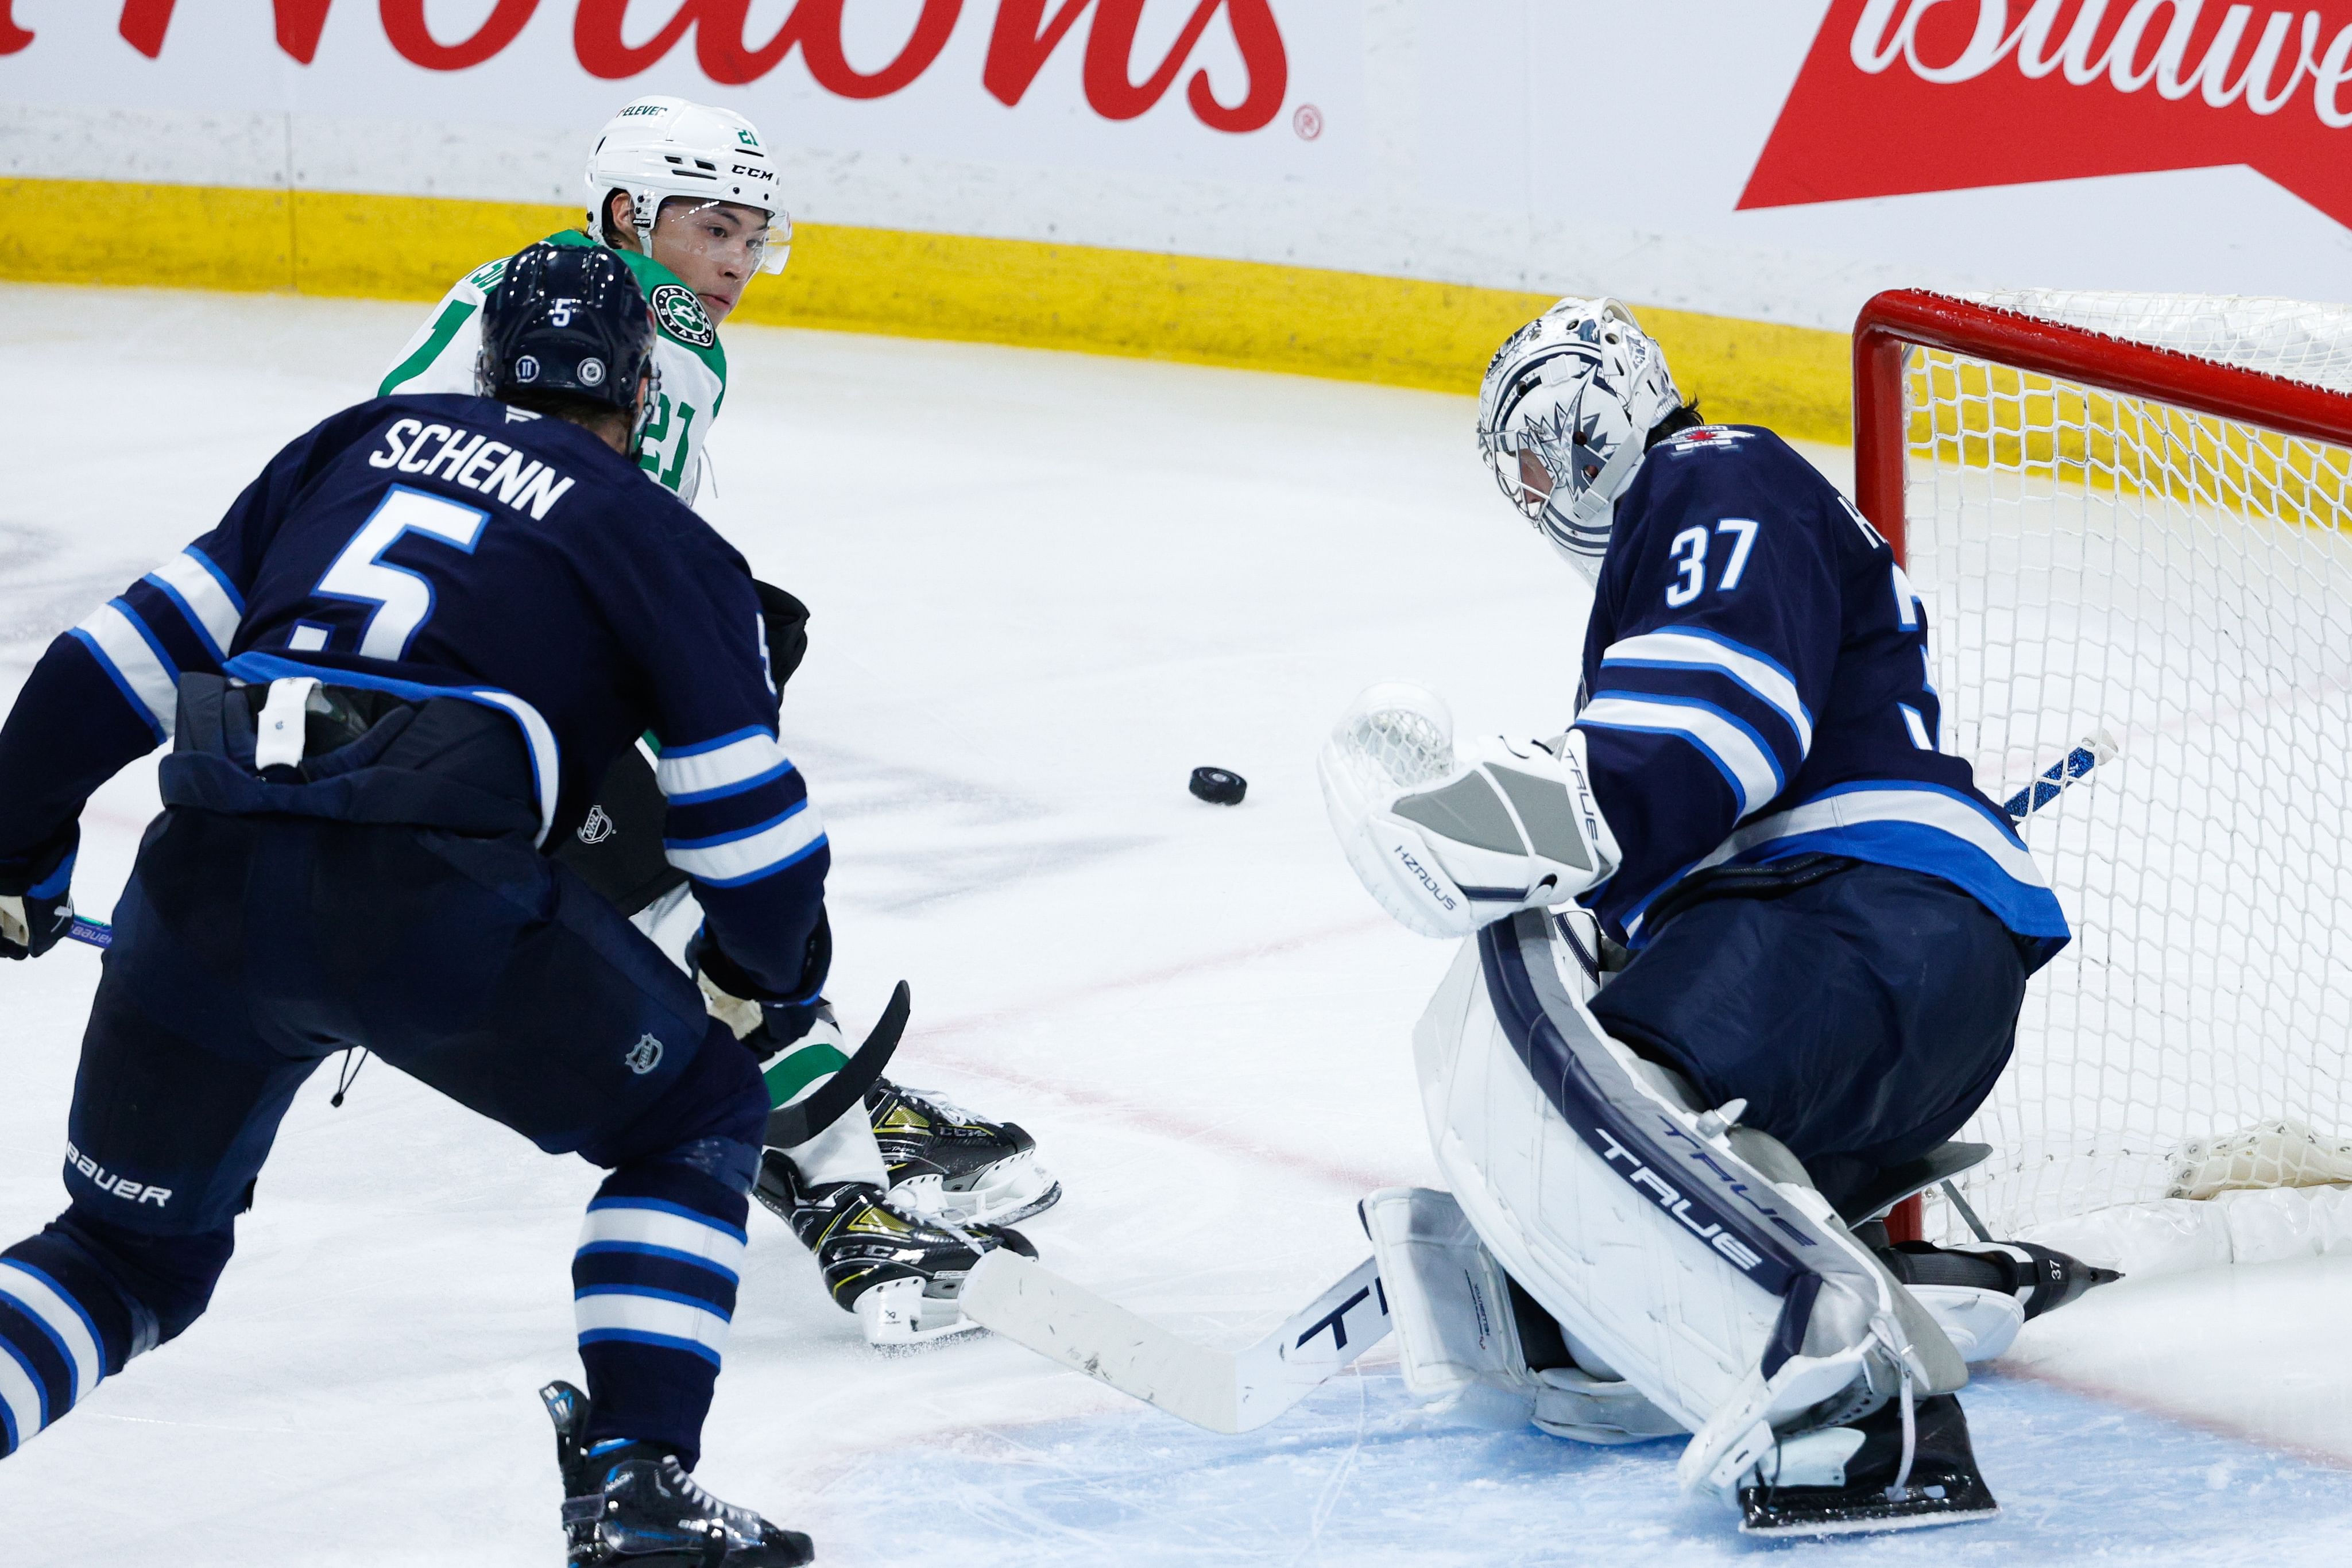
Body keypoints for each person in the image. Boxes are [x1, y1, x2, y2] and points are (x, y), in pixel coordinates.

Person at [0, 243, 860, 1563]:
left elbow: (100, 670)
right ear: (640, 392)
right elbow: (746, 828)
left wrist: (19, 856)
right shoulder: (657, 533)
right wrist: (769, 977)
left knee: (121, 1257)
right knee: (695, 1113)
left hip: (204, 878)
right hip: (434, 900)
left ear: (481, 362)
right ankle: (635, 1483)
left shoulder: (347, 447)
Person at [1319, 297, 2109, 1535]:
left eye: (1546, 438)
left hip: (1853, 916)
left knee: (1595, 1107)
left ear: (1609, 400)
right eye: (1514, 469)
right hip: (1879, 956)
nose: (1538, 481)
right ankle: (1883, 1281)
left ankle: (1857, 1402)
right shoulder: (1679, 532)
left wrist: (1531, 817)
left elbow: (1707, 725)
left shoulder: (1712, 473)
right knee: (1616, 1183)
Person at [382, 95, 1061, 1344]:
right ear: (630, 214)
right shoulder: (588, 319)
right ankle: (853, 1206)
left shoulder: (600, 310)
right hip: (483, 707)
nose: (737, 262)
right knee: (712, 923)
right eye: (713, 228)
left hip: (471, 684)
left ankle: (830, 1093)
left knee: (714, 913)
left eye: (753, 236)